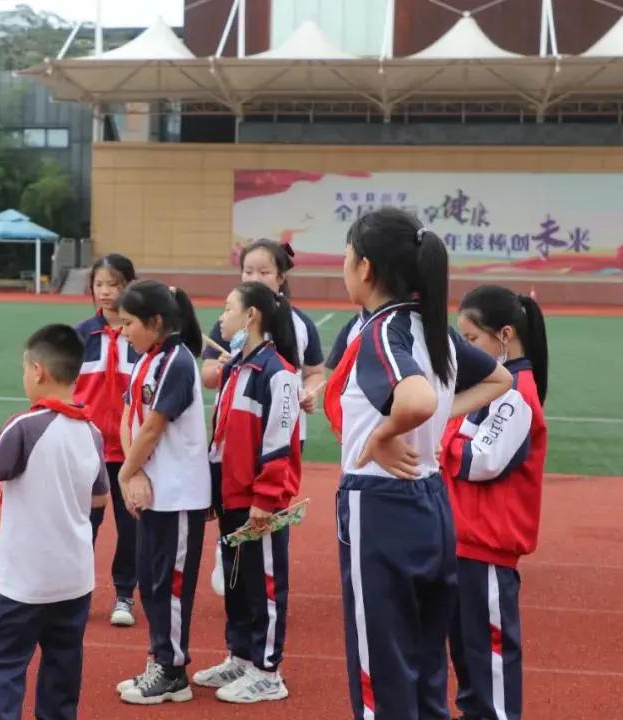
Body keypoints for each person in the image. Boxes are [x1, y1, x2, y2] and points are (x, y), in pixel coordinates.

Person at [323, 207, 513, 720]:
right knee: (426, 666)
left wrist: (387, 432)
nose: (342, 268)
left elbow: (415, 400)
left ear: (365, 268)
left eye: (345, 257)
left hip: (380, 505)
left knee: (380, 671)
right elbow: (501, 380)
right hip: (431, 502)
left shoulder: (382, 331)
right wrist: (433, 414)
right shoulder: (435, 331)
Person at [0, 324, 107, 720]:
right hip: (74, 577)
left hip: (25, 580)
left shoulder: (27, 426)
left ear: (37, 370)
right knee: (62, 669)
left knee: (0, 662)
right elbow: (99, 497)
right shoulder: (92, 431)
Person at [441, 285, 549, 720]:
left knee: (490, 663)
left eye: (472, 340)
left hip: (486, 546)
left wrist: (442, 448)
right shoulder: (489, 383)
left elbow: (482, 460)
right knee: (469, 662)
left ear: (505, 335)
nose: (465, 350)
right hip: (464, 541)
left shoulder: (516, 391)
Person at [192, 281, 301, 704]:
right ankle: (241, 656)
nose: (222, 318)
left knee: (265, 584)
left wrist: (266, 497)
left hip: (260, 500)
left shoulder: (278, 374)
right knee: (237, 581)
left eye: (228, 308)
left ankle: (268, 670)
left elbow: (278, 440)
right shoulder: (236, 367)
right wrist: (214, 491)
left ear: (251, 315)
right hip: (231, 496)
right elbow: (222, 435)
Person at [200, 239, 323, 596]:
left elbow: (313, 372)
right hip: (237, 436)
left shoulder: (299, 325)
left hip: (278, 437)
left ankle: (267, 591)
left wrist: (308, 391)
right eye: (248, 271)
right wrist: (223, 368)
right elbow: (207, 373)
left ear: (281, 277)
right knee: (235, 508)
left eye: (263, 271)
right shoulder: (231, 319)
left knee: (268, 513)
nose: (254, 277)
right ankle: (232, 565)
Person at [114, 280, 210, 706]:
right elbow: (129, 415)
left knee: (170, 585)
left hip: (177, 494)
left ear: (155, 322)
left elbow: (154, 426)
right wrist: (132, 475)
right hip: (153, 490)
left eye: (129, 323)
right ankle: (160, 657)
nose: (123, 331)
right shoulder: (146, 360)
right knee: (152, 583)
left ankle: (173, 671)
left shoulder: (177, 361)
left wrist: (126, 474)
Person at [72, 253, 140, 627]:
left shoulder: (140, 332)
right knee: (85, 525)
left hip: (131, 450)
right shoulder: (82, 334)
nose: (106, 291)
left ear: (128, 286)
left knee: (130, 528)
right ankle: (76, 594)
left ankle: (125, 595)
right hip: (89, 448)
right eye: (99, 284)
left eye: (113, 284)